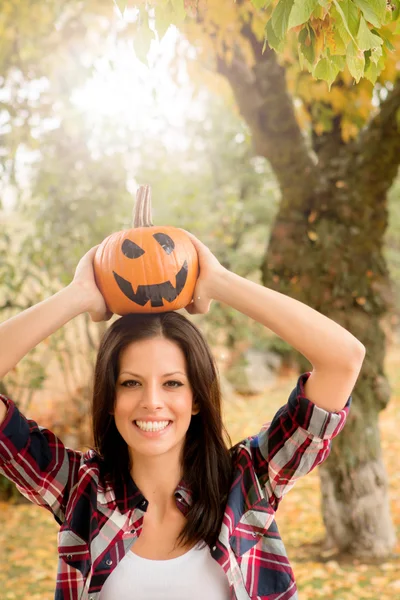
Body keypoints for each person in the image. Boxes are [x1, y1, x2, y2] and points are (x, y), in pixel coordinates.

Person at [0, 231, 365, 600]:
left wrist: (220, 282)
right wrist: (76, 295)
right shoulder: (79, 491)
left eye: (172, 384)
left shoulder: (248, 481)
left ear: (196, 398)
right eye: (130, 383)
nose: (152, 402)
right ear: (109, 397)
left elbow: (343, 359)